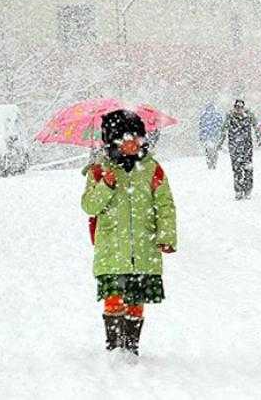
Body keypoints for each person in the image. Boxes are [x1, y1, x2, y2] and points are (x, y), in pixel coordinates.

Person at [81, 110, 177, 361]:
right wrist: (106, 185)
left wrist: (166, 236)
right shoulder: (99, 171)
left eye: (137, 138)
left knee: (136, 298)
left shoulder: (152, 169)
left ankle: (131, 346)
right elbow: (89, 206)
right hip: (112, 248)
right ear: (113, 141)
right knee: (114, 297)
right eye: (127, 138)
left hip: (143, 247)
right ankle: (114, 346)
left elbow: (165, 204)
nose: (134, 143)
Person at [219, 99, 258, 200]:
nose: (239, 109)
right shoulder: (230, 116)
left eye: (241, 107)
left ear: (244, 107)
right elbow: (223, 130)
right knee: (237, 169)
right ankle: (238, 190)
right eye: (237, 107)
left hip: (247, 146)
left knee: (248, 168)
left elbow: (256, 126)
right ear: (234, 107)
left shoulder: (249, 115)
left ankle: (248, 189)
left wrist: (259, 137)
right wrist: (220, 143)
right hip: (234, 147)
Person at [198, 102, 224, 169]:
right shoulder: (217, 115)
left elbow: (201, 127)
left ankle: (210, 162)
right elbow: (220, 126)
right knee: (214, 150)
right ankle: (214, 162)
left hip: (207, 137)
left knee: (208, 150)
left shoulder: (204, 116)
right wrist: (220, 135)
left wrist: (201, 136)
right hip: (215, 137)